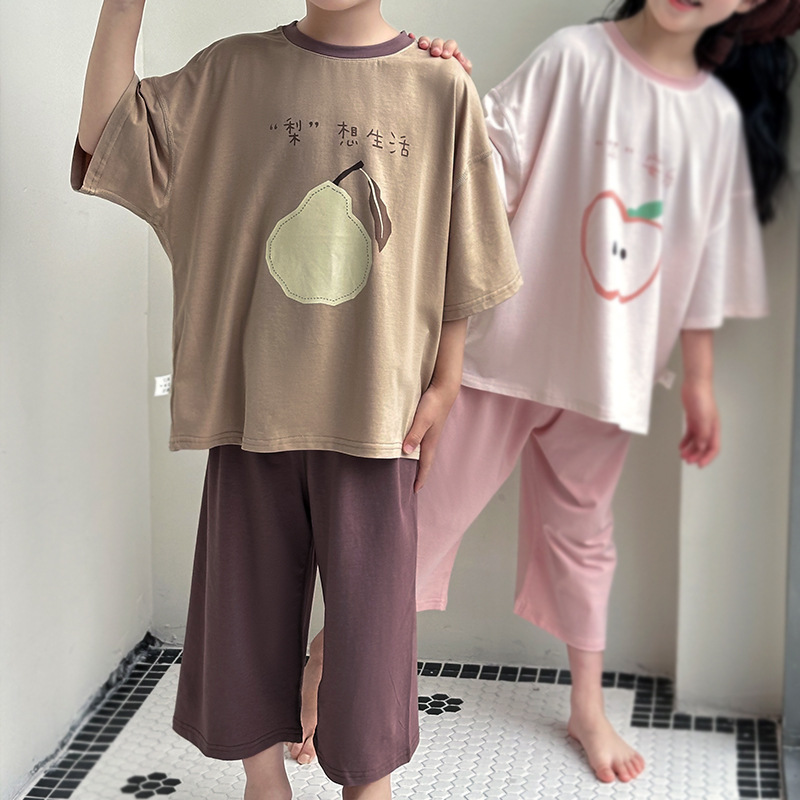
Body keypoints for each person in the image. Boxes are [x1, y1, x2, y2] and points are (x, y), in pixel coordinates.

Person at [291, 0, 800, 785]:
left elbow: (706, 265)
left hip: (610, 375)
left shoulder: (713, 120)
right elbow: (481, 171)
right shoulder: (574, 58)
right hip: (502, 352)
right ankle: (330, 659)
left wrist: (699, 383)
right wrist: (442, 86)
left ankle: (587, 708)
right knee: (415, 523)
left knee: (584, 538)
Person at [72, 1, 522, 798]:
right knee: (244, 613)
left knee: (373, 635)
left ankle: (368, 782)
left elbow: (466, 245)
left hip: (380, 418)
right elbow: (108, 132)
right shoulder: (231, 71)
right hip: (254, 408)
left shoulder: (439, 87)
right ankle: (262, 779)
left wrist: (447, 380)